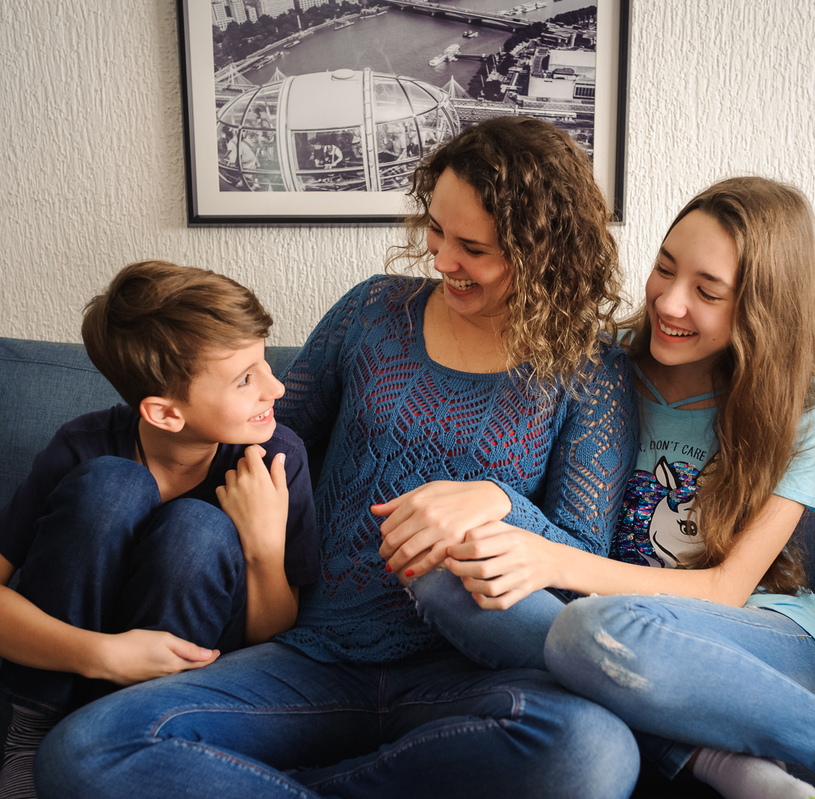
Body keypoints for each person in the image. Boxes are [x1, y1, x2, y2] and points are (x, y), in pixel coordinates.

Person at [33, 116, 642, 799]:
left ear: (543, 253)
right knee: (82, 751)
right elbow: (261, 435)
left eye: (472, 247)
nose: (441, 260)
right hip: (311, 657)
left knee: (594, 753)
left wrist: (503, 502)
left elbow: (583, 562)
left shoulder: (592, 373)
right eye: (436, 230)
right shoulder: (373, 311)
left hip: (470, 676)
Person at [409, 177, 815, 799]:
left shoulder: (805, 410)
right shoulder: (599, 370)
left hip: (757, 633)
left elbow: (724, 590)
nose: (668, 303)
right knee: (442, 575)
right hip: (609, 642)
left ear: (760, 308)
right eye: (664, 269)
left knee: (591, 629)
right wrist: (497, 504)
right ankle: (723, 763)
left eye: (707, 291)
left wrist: (552, 561)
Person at [0, 260, 321, 799]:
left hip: (179, 690)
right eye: (245, 379)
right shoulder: (81, 446)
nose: (276, 387)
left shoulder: (275, 459)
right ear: (164, 414)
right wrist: (103, 653)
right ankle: (33, 735)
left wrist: (263, 546)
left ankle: (138, 742)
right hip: (79, 660)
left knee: (196, 528)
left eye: (264, 363)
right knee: (112, 484)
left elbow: (272, 637)